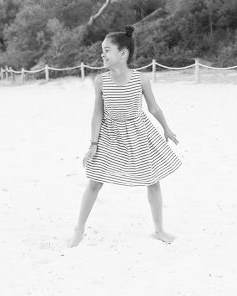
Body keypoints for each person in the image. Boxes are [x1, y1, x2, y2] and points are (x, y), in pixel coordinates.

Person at [70, 25, 182, 248]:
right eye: (102, 50)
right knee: (95, 181)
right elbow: (97, 113)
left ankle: (159, 229)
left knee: (152, 179)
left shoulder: (141, 79)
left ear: (123, 53)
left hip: (139, 132)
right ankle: (79, 229)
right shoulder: (101, 81)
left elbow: (154, 108)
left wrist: (166, 128)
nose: (102, 54)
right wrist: (93, 143)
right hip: (110, 134)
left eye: (107, 50)